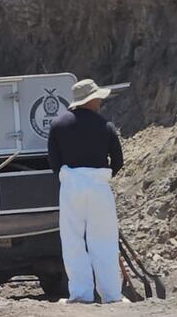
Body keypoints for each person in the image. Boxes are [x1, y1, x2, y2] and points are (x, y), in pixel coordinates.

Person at [47, 79, 124, 304]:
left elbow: (54, 160)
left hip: (71, 185)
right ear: (91, 100)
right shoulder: (105, 125)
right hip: (99, 187)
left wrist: (69, 177)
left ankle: (81, 294)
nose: (100, 101)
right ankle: (111, 295)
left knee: (73, 241)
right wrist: (102, 175)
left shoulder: (58, 125)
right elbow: (118, 160)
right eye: (98, 98)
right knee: (105, 241)